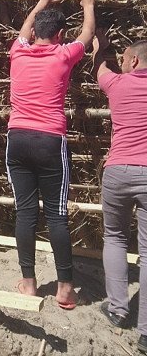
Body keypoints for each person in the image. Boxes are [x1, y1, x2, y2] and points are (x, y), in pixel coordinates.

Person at [6, 0, 96, 309]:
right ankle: (65, 289)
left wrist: (41, 2)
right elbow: (88, 33)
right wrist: (88, 3)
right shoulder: (63, 54)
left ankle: (28, 283)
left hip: (16, 139)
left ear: (36, 33)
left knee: (25, 213)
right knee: (56, 215)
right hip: (49, 141)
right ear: (59, 34)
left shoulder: (18, 52)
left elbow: (22, 31)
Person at [93, 31, 147, 353]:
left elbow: (100, 65)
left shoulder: (117, 84)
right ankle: (146, 333)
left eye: (124, 60)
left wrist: (101, 43)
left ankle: (117, 309)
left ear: (135, 61)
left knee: (114, 236)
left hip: (117, 171)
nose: (121, 64)